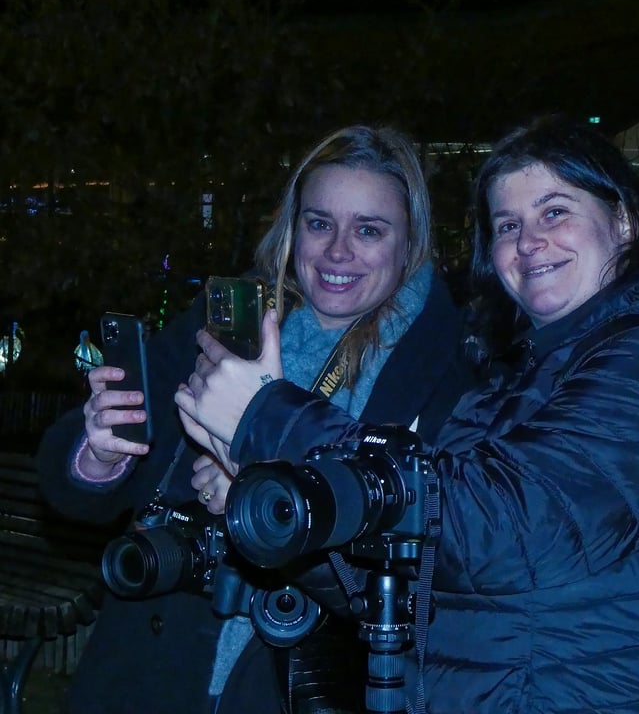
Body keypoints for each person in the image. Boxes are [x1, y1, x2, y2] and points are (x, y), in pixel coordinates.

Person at [176, 113, 639, 713]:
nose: (529, 240)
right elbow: (411, 580)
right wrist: (281, 503)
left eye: (554, 211)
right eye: (507, 224)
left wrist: (267, 414)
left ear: (623, 219)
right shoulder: (512, 391)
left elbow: (503, 526)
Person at [35, 124, 478, 714]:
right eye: (319, 223)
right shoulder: (227, 319)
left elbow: (438, 562)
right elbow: (79, 485)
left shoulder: (448, 366)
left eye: (368, 230)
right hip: (154, 664)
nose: (338, 251)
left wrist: (256, 485)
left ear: (411, 242)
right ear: (292, 228)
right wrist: (98, 457)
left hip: (304, 678)